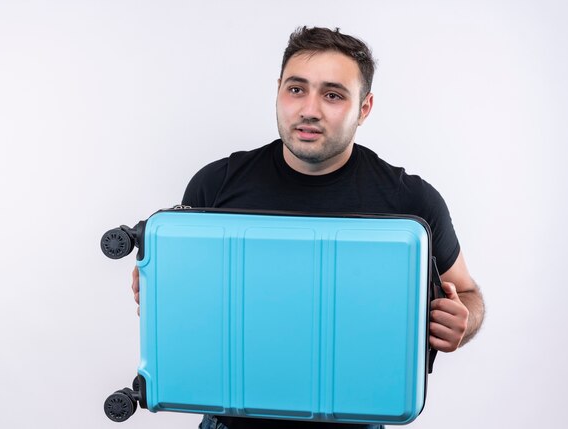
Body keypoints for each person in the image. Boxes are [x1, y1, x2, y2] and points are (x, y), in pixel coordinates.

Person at [131, 26, 485, 429]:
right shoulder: (215, 185)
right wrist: (159, 290)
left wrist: (461, 320)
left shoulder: (411, 200)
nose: (309, 109)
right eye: (296, 89)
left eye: (333, 95)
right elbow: (188, 303)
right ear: (279, 90)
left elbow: (468, 294)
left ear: (364, 108)